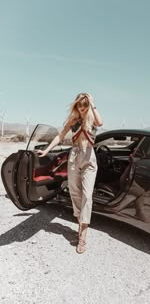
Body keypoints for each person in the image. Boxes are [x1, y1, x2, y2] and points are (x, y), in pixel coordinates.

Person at [37, 93, 103, 254]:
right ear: (75, 105)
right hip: (74, 156)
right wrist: (46, 150)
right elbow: (60, 136)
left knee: (87, 194)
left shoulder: (91, 118)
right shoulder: (73, 121)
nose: (82, 107)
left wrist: (93, 104)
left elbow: (100, 122)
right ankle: (81, 223)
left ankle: (83, 236)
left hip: (89, 156)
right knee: (74, 192)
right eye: (80, 104)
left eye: (85, 104)